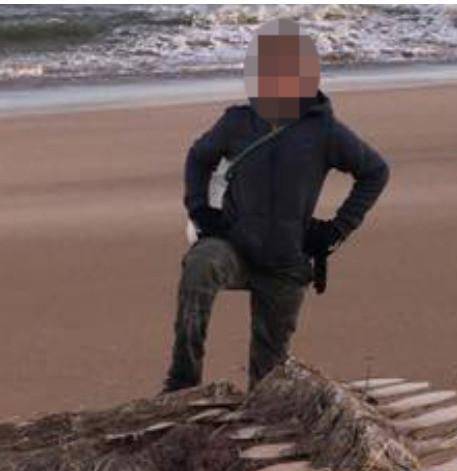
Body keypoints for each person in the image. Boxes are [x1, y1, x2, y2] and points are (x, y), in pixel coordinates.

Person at [162, 19, 389, 393]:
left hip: (286, 264)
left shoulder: (325, 131)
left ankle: (258, 407)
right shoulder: (237, 122)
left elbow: (375, 171)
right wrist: (200, 210)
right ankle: (182, 383)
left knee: (267, 384)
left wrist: (336, 230)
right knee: (199, 266)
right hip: (232, 246)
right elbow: (198, 158)